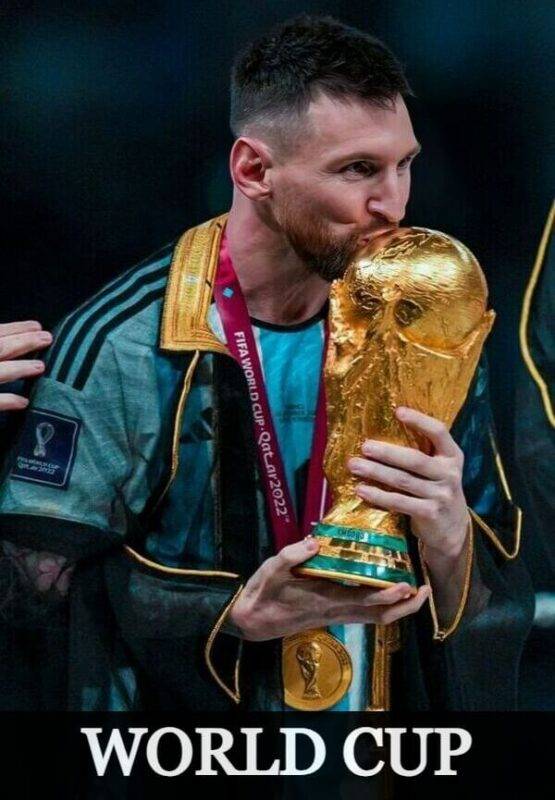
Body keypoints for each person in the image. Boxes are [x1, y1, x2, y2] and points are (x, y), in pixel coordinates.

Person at [0, 15, 532, 713]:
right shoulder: (125, 341)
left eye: (403, 164)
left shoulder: (422, 319)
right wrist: (228, 614)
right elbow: (30, 594)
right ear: (253, 170)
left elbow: (501, 592)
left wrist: (453, 542)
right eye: (357, 170)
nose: (392, 204)